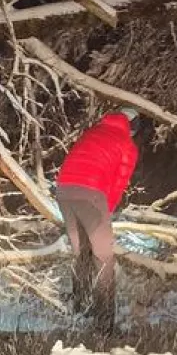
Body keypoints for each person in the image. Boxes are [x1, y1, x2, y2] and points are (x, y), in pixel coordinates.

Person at [54, 107, 140, 333]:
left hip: (63, 189)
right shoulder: (126, 144)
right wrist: (106, 212)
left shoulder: (93, 132)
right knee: (103, 257)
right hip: (91, 193)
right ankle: (104, 323)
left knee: (81, 251)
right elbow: (119, 183)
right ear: (133, 127)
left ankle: (79, 306)